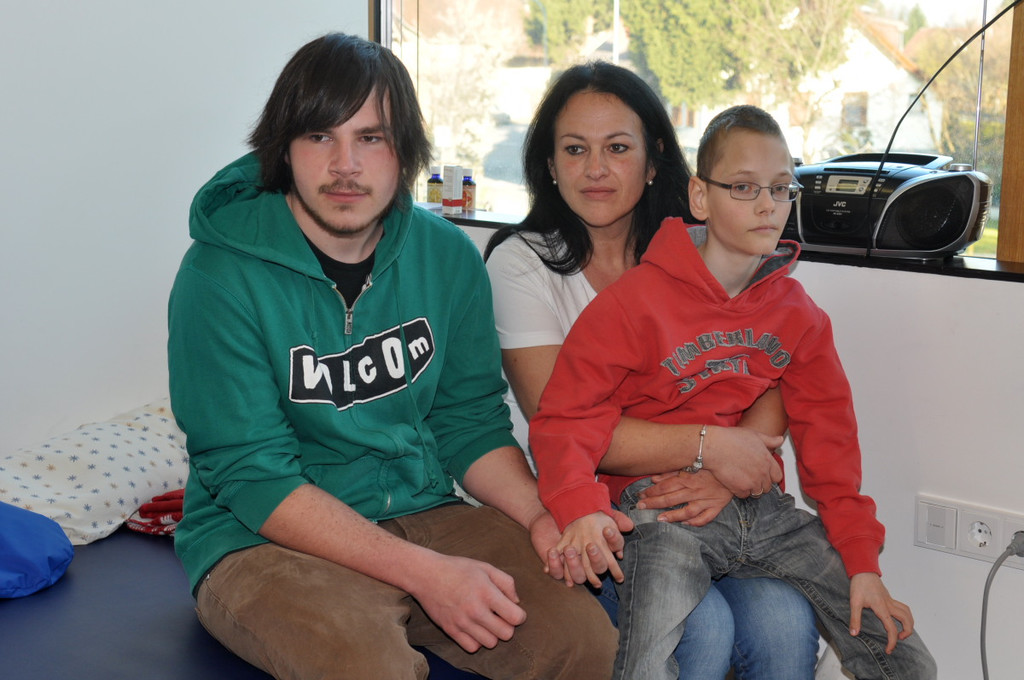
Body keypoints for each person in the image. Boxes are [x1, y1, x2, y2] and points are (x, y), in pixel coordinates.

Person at [166, 33, 620, 680]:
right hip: (262, 539)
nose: (345, 165)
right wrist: (429, 576)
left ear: (405, 150)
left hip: (424, 507)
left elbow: (468, 424)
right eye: (319, 136)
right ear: (282, 149)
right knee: (370, 668)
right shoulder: (218, 277)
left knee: (588, 644)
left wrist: (539, 516)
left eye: (371, 138)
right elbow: (253, 476)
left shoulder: (447, 257)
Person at [529, 104, 938, 680]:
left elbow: (830, 442)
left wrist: (863, 563)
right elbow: (566, 418)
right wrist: (580, 509)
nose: (767, 205)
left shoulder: (799, 315)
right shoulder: (632, 304)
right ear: (700, 197)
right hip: (661, 510)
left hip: (761, 510)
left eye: (781, 188)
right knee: (653, 657)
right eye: (744, 188)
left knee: (902, 651)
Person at [486, 62, 820, 678]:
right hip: (594, 512)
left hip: (711, 504)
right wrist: (711, 446)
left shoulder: (695, 250)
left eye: (617, 148)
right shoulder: (520, 264)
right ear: (550, 164)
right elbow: (568, 423)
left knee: (785, 622)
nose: (596, 169)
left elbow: (774, 370)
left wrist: (729, 473)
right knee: (703, 626)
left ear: (653, 160)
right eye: (575, 149)